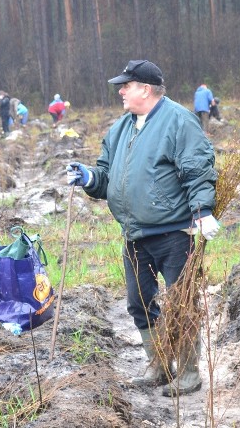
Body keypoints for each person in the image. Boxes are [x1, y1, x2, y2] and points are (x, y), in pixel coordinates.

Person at [67, 59, 218, 397]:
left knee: (182, 303)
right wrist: (89, 177)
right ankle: (160, 365)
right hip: (135, 234)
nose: (120, 90)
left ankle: (190, 372)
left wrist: (202, 210)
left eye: (127, 85)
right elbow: (108, 174)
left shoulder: (179, 121)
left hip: (175, 234)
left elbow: (198, 168)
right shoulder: (121, 127)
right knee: (138, 303)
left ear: (145, 90)